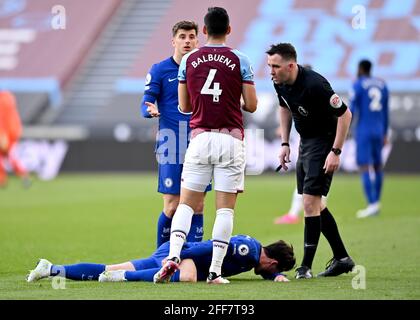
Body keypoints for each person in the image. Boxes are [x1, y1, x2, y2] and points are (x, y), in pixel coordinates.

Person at [153, 7, 257, 284]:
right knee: (224, 210)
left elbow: (185, 106)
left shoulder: (189, 60)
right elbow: (252, 105)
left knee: (186, 205)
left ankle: (173, 255)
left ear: (204, 31)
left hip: (199, 139)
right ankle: (214, 272)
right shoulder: (241, 59)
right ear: (229, 30)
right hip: (230, 139)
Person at [267, 43, 355, 279]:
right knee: (317, 205)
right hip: (305, 143)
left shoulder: (315, 85)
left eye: (275, 66)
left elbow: (345, 115)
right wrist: (285, 143)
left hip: (325, 142)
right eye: (269, 66)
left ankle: (305, 267)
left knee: (309, 203)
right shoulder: (279, 83)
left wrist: (335, 151)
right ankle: (342, 258)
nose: (271, 71)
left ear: (291, 65)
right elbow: (284, 108)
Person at [141, 21, 210, 248]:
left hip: (200, 143)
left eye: (191, 36)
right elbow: (146, 101)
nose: (187, 41)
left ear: (197, 41)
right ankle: (161, 256)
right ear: (174, 41)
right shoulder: (160, 70)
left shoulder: (204, 71)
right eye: (182, 37)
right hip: (171, 144)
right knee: (172, 206)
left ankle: (190, 257)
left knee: (197, 205)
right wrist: (149, 110)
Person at [26, 234, 295, 283]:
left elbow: (266, 270)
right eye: (274, 269)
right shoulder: (247, 249)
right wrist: (176, 257)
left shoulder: (256, 255)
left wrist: (277, 276)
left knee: (110, 267)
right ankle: (125, 278)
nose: (268, 272)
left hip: (178, 251)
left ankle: (51, 269)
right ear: (272, 260)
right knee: (187, 278)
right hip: (187, 253)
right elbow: (209, 247)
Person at [349, 59, 389, 218]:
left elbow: (351, 109)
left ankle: (372, 204)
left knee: (365, 167)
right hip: (379, 130)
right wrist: (385, 132)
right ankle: (376, 202)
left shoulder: (358, 84)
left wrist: (344, 129)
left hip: (364, 130)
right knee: (378, 166)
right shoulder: (383, 84)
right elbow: (386, 112)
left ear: (360, 69)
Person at [0, 90, 31, 188]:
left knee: (10, 156)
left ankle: (4, 179)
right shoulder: (9, 100)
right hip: (12, 133)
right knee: (10, 156)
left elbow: (2, 120)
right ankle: (4, 179)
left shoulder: (3, 102)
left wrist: (2, 134)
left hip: (6, 135)